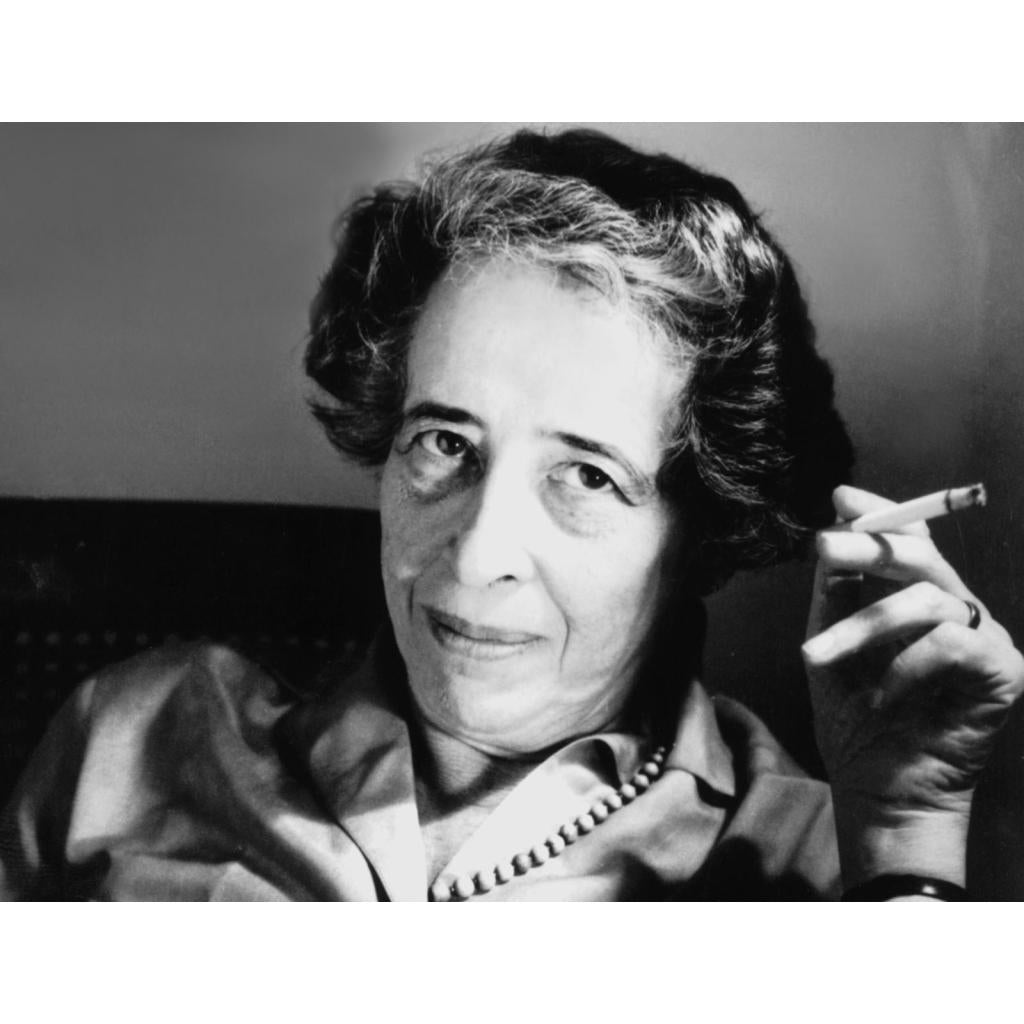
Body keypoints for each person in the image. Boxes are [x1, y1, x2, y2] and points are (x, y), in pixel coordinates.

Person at [1, 128, 1021, 900]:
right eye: (444, 443)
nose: (476, 552)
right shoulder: (130, 740)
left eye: (585, 476)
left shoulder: (823, 862)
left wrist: (905, 839)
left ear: (697, 531)